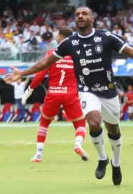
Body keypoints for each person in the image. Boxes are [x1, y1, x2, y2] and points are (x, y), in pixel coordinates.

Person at [4, 6, 133, 185]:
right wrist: (22, 73)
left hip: (109, 91)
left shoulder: (106, 37)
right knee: (94, 122)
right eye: (77, 15)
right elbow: (45, 63)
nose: (80, 16)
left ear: (92, 18)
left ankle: (116, 163)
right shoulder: (69, 43)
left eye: (84, 14)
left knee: (113, 129)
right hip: (87, 90)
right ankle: (102, 158)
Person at [21, 27, 89, 162]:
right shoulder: (77, 55)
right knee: (80, 122)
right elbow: (84, 74)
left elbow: (40, 74)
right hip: (70, 94)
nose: (56, 37)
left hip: (54, 93)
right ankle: (78, 144)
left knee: (44, 122)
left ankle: (39, 154)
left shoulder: (52, 54)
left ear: (60, 37)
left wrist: (29, 90)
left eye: (58, 35)